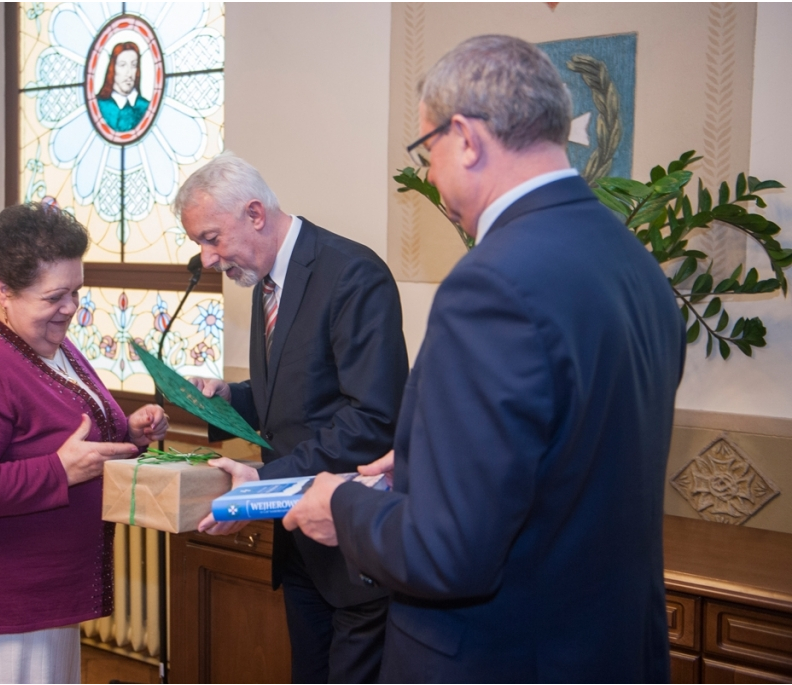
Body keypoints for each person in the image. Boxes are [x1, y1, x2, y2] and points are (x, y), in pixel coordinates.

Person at [283, 35, 686, 682]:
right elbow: (568, 458)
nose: (433, 173)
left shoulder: (491, 283)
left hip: (501, 656)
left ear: (465, 138)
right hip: (605, 651)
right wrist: (422, 458)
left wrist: (340, 505)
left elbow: (446, 552)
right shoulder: (633, 263)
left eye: (428, 150)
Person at [178, 154, 409, 683]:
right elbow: (294, 396)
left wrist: (265, 480)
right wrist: (229, 398)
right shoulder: (264, 282)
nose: (208, 258)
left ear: (255, 213)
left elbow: (373, 417)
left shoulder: (352, 273)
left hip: (350, 545)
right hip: (299, 542)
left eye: (212, 238)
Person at [0, 203, 168, 684]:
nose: (72, 308)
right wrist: (58, 471)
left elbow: (65, 433)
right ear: (4, 291)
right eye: (55, 296)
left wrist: (129, 434)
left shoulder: (50, 342)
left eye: (77, 291)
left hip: (44, 591)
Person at [96, 41, 150, 133]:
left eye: (134, 65)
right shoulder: (98, 106)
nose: (129, 73)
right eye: (122, 65)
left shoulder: (147, 107)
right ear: (112, 68)